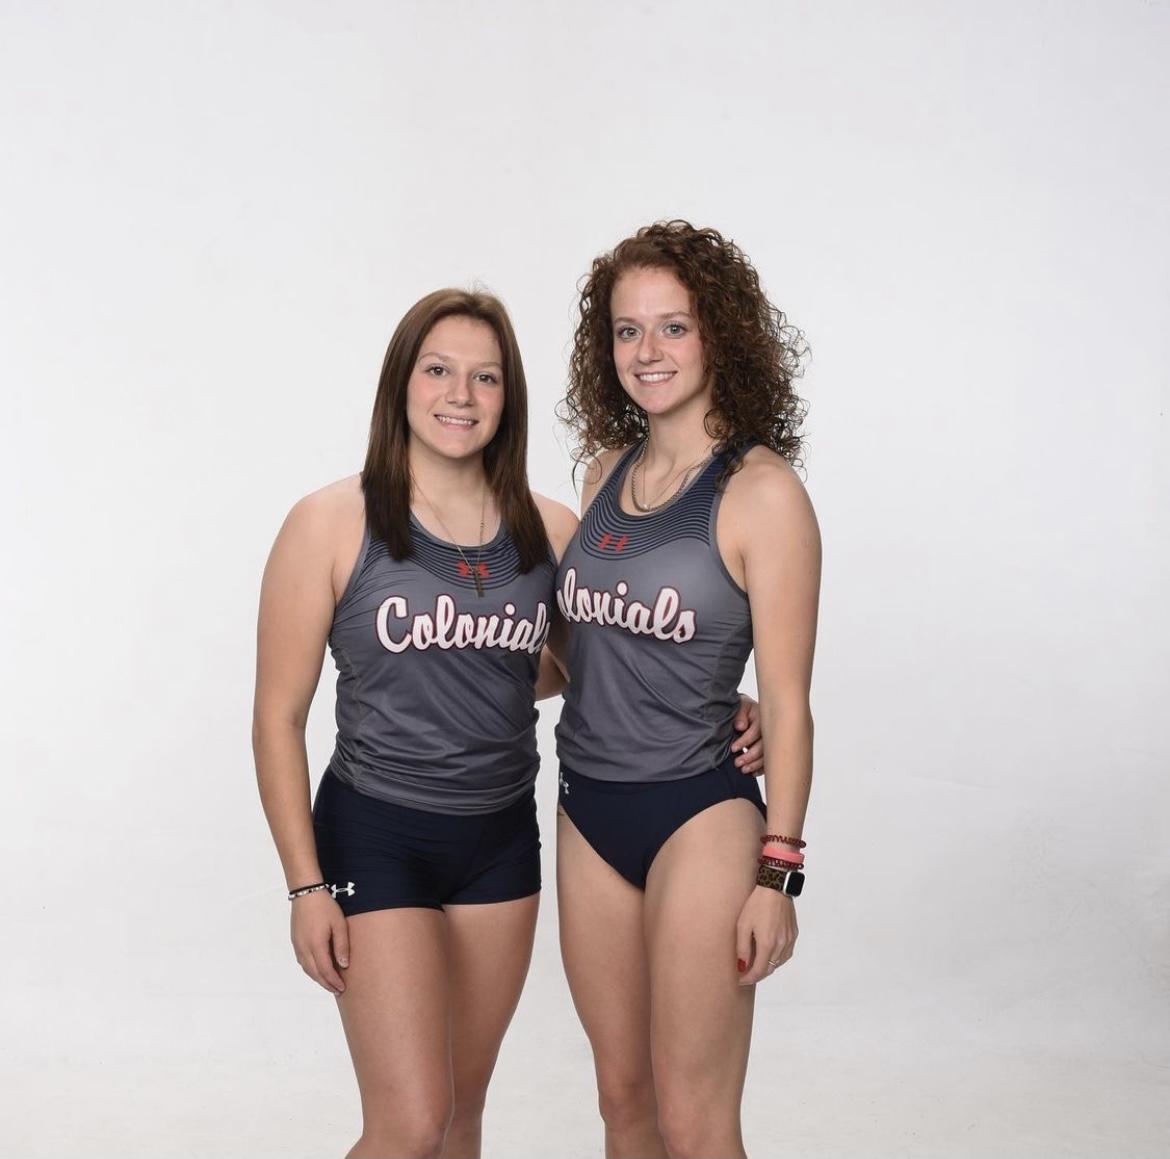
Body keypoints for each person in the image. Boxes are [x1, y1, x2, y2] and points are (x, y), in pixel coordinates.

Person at [252, 286, 767, 1158]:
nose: (461, 395)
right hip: (376, 832)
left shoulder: (550, 529)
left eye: (485, 377)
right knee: (409, 1122)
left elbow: (599, 657)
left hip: (499, 841)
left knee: (460, 1112)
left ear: (508, 397)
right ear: (401, 385)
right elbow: (276, 718)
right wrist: (304, 886)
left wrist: (723, 701)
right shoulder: (330, 523)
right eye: (439, 371)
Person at [552, 221, 821, 1159]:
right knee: (623, 1103)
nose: (648, 352)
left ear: (720, 336)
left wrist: (777, 873)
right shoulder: (600, 474)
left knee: (696, 1121)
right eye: (628, 331)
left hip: (699, 813)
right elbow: (583, 650)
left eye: (673, 327)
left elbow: (786, 698)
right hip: (587, 809)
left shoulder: (762, 494)